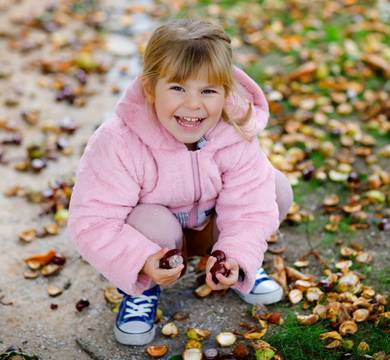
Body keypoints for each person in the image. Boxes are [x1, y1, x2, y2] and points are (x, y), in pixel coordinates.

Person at [68, 20, 294, 346]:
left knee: (273, 188)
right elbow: (93, 221)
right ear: (150, 89)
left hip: (213, 223)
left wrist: (236, 253)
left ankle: (237, 263)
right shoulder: (118, 142)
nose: (192, 104)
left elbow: (250, 203)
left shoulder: (234, 132)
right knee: (148, 221)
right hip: (157, 238)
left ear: (226, 92)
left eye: (208, 90)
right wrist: (142, 260)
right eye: (177, 88)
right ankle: (142, 288)